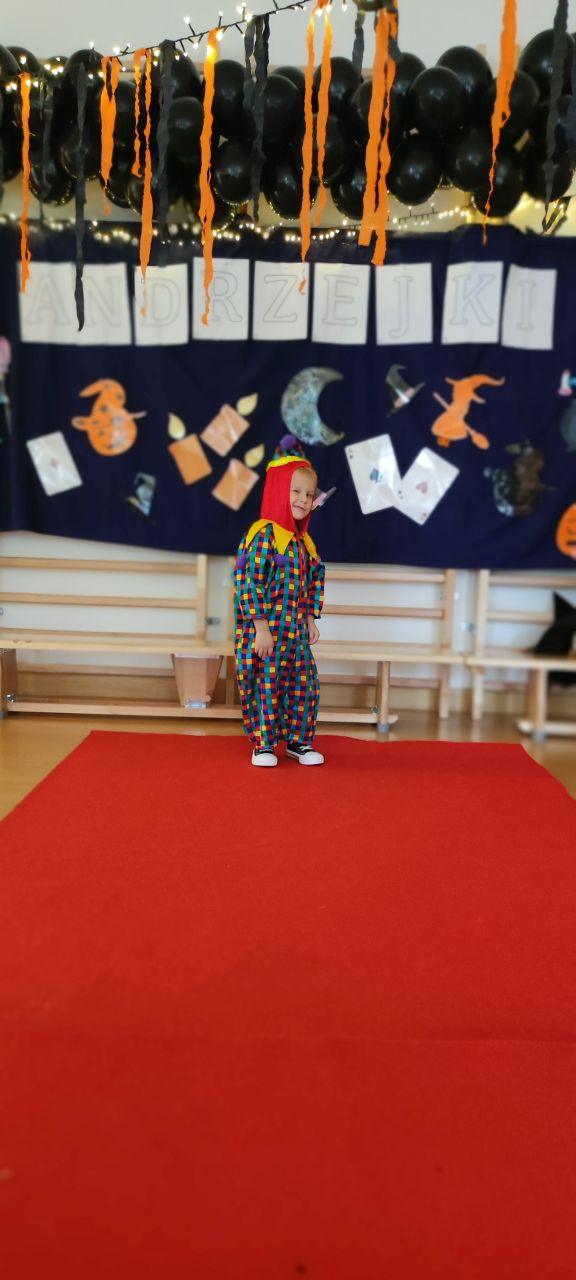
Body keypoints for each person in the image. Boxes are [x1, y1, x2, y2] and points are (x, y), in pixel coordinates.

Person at [233, 436, 325, 768]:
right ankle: (264, 745)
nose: (303, 499)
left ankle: (299, 741)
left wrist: (310, 620)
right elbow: (248, 584)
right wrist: (260, 629)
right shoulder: (262, 535)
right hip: (266, 633)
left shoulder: (303, 542)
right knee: (266, 686)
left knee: (304, 685)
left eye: (309, 494)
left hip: (294, 633)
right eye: (295, 491)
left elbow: (312, 582)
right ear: (277, 492)